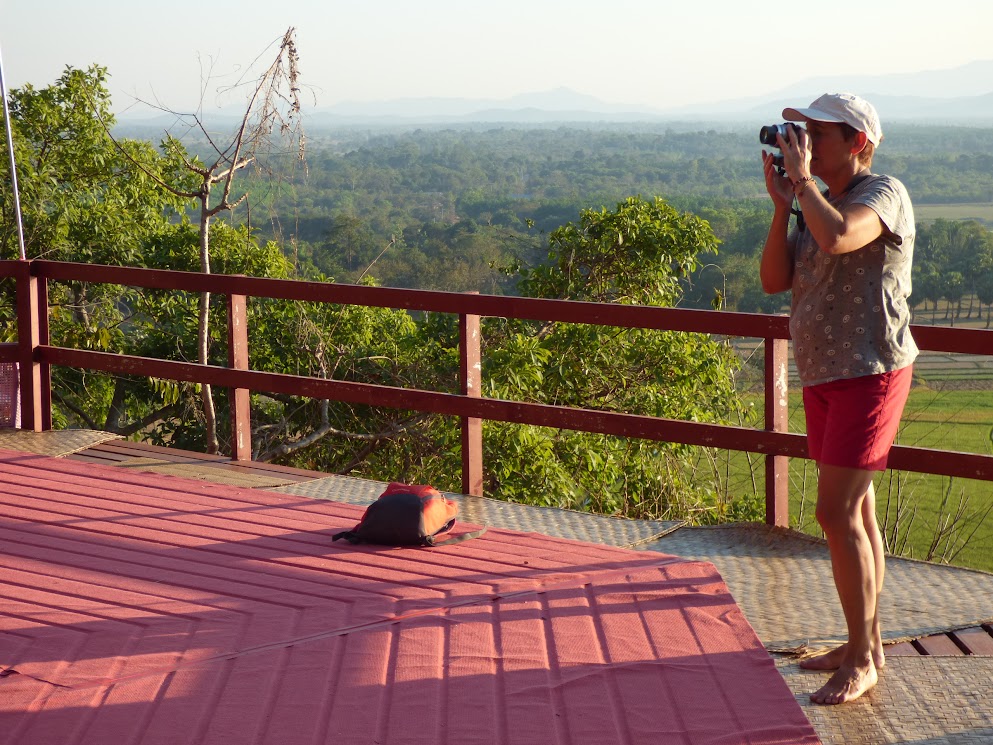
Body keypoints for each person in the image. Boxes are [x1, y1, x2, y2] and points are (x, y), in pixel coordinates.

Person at [760, 93, 917, 705]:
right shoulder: (809, 204)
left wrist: (802, 186)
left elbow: (840, 240)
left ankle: (864, 657)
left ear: (858, 143)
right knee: (859, 513)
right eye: (800, 133)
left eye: (816, 134)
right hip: (825, 374)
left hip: (870, 372)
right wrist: (782, 207)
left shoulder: (882, 193)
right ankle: (862, 646)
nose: (803, 142)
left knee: (835, 513)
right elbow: (776, 279)